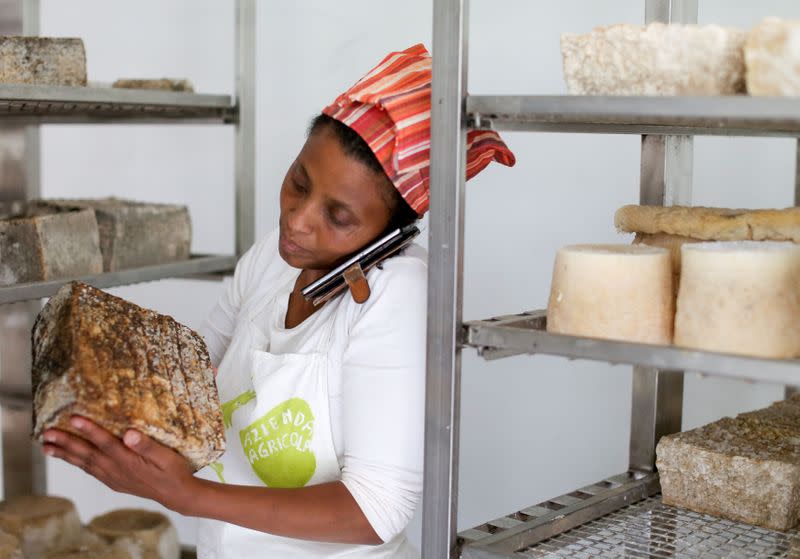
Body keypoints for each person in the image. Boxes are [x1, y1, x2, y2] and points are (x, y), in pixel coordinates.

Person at [40, 44, 515, 558]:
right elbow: (195, 381)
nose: (297, 220)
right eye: (299, 182)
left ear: (391, 232)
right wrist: (106, 413)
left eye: (338, 216)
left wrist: (187, 495)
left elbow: (377, 508)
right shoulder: (274, 256)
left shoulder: (396, 294)